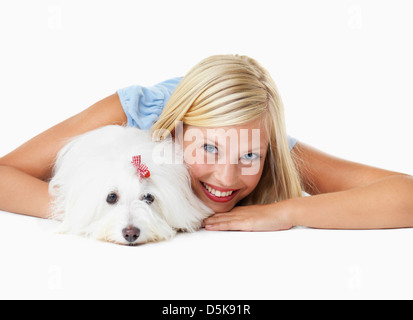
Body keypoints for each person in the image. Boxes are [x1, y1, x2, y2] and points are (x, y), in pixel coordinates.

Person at [0, 54, 412, 231]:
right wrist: (95, 209)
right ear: (175, 132)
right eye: (209, 149)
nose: (226, 176)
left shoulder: (258, 135)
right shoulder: (136, 112)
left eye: (249, 156)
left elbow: (406, 195)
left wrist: (285, 212)